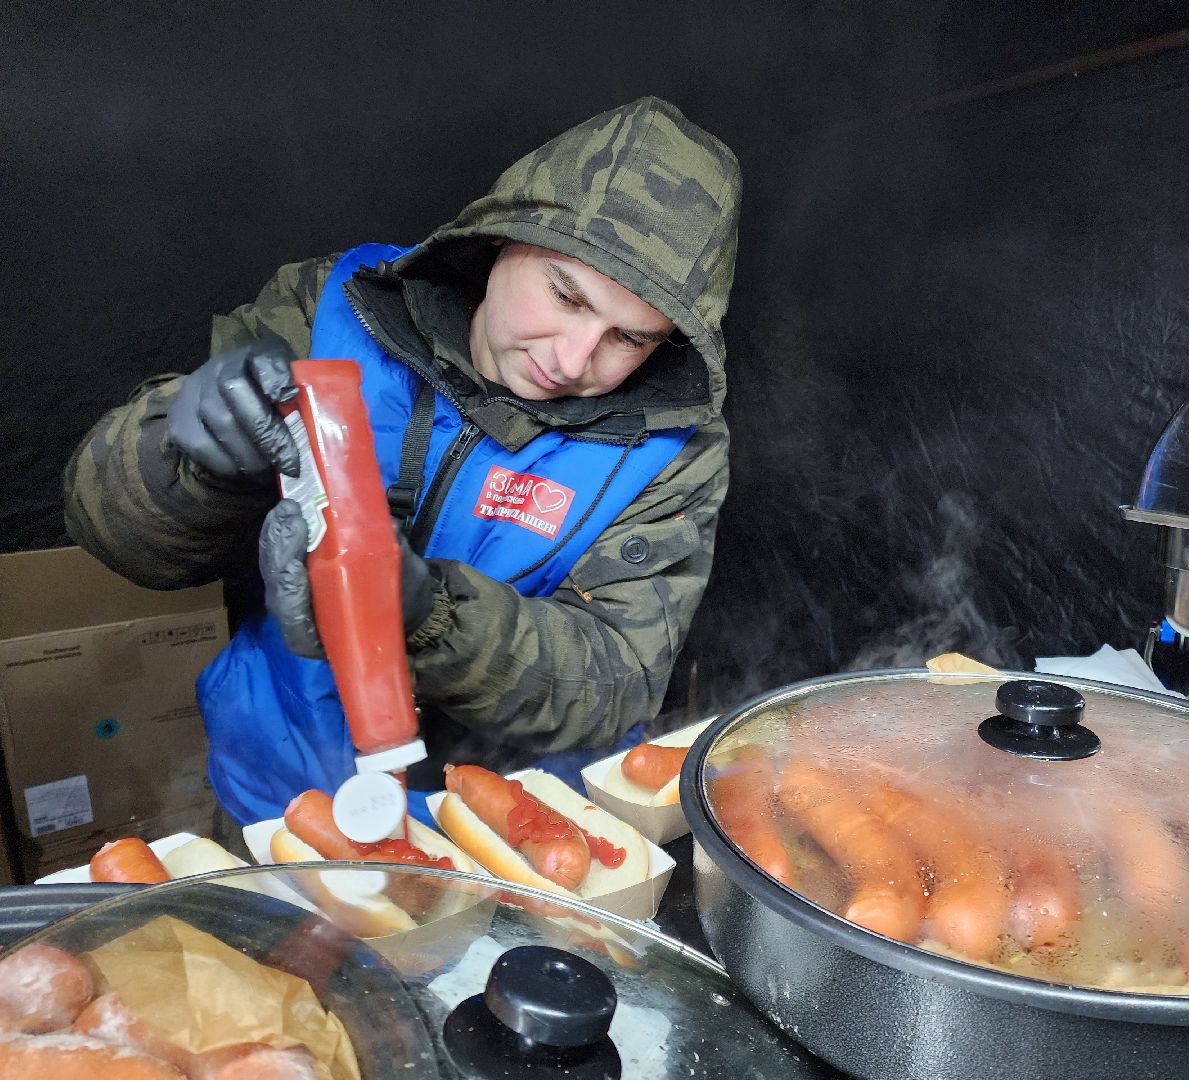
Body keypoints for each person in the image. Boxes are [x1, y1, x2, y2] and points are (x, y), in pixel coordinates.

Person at [63, 96, 741, 832]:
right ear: (502, 238)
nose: (571, 358)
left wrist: (432, 616)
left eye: (630, 339)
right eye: (564, 295)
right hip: (282, 801)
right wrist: (185, 462)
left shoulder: (673, 455)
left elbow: (613, 685)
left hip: (503, 834)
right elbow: (116, 539)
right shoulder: (334, 311)